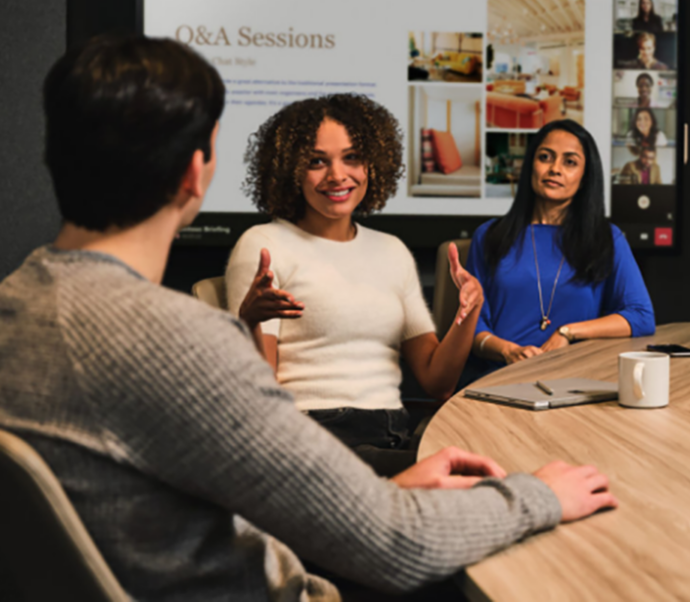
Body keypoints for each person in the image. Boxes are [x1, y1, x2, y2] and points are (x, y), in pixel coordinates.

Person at [0, 35, 618, 602]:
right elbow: (393, 546)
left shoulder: (15, 306)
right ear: (197, 170)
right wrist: (539, 495)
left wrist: (384, 494)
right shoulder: (184, 344)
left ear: (54, 158)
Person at [226, 94, 482, 476]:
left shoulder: (391, 251)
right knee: (477, 476)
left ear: (373, 165)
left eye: (352, 157)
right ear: (288, 171)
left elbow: (436, 382)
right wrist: (248, 323)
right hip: (311, 439)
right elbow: (260, 402)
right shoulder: (264, 245)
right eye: (316, 161)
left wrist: (470, 310)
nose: (337, 175)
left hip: (391, 434)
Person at [461, 119, 655, 384]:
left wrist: (568, 332)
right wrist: (508, 350)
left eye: (570, 162)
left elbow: (641, 317)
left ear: (585, 176)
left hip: (574, 382)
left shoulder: (607, 239)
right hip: (498, 379)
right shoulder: (489, 236)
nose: (555, 169)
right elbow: (472, 328)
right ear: (531, 165)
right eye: (545, 157)